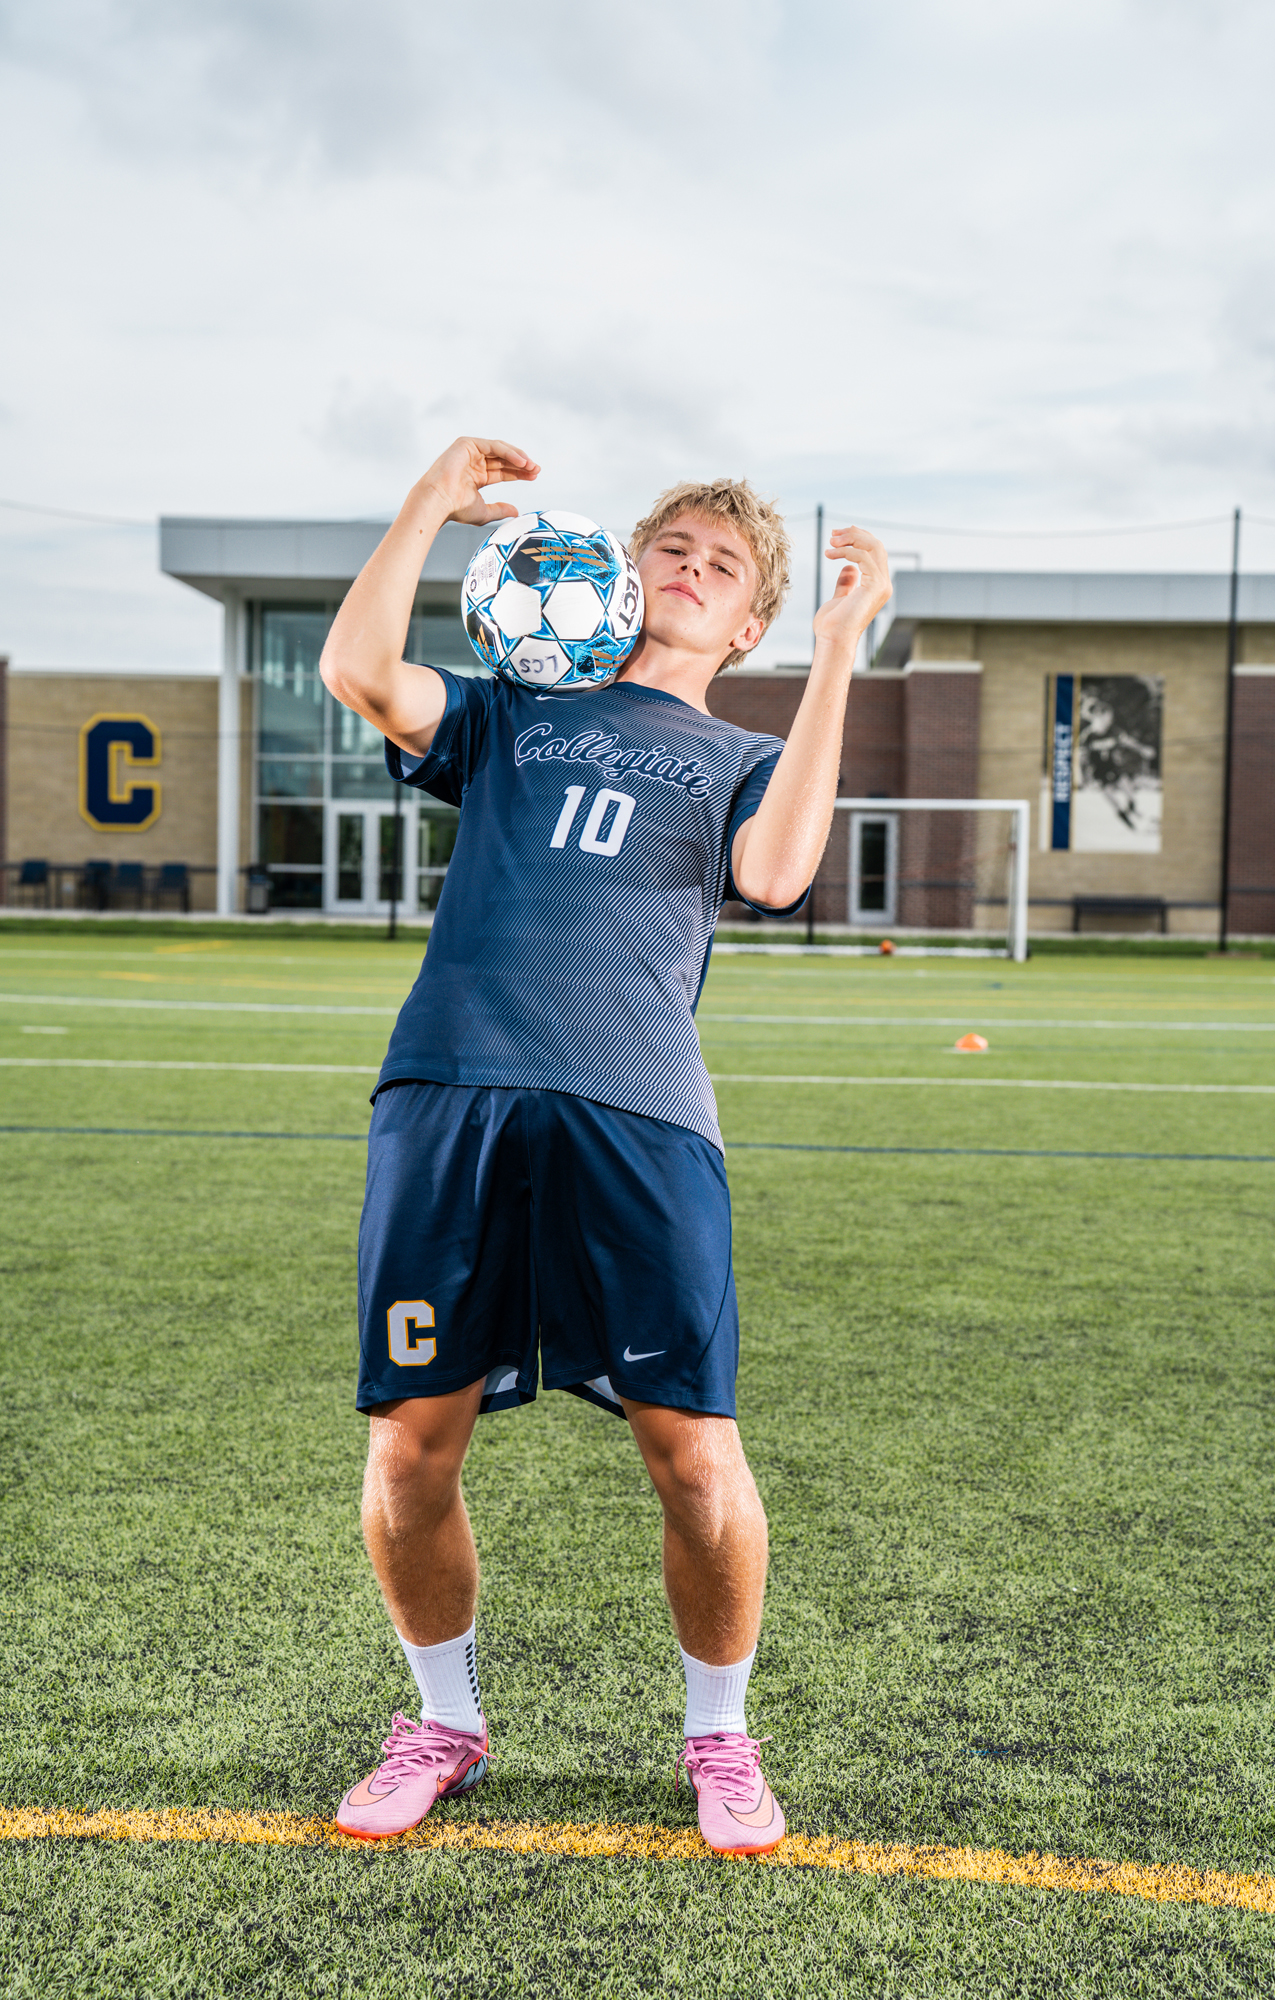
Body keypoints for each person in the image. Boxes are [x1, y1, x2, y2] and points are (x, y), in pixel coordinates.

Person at [321, 436, 890, 1853]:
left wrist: (837, 653)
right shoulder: (515, 711)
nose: (693, 570)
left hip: (640, 1115)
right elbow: (359, 671)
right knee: (412, 1443)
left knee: (692, 1453)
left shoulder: (745, 757)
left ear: (747, 625)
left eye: (725, 567)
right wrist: (428, 506)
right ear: (623, 577)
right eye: (672, 549)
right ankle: (443, 1722)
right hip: (448, 1091)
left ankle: (720, 1740)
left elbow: (777, 874)